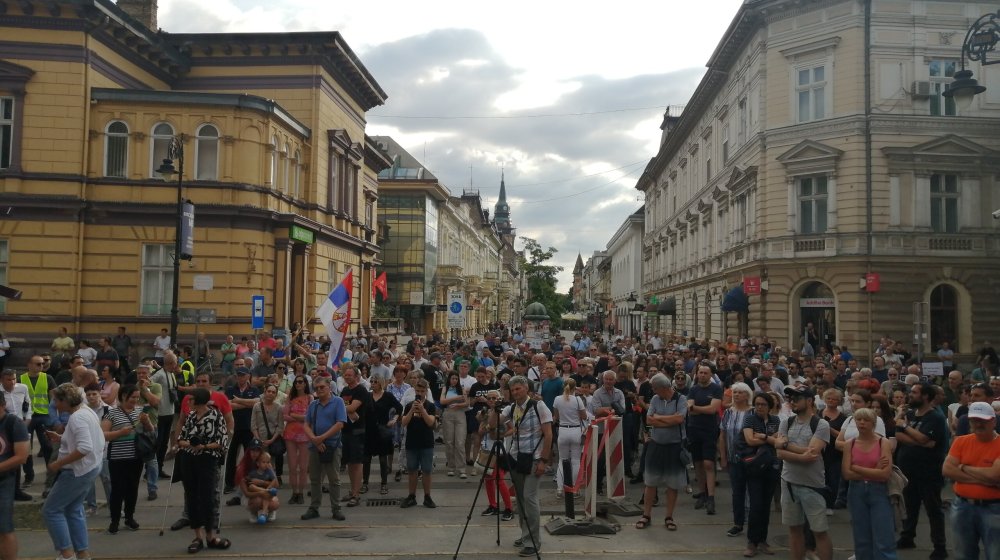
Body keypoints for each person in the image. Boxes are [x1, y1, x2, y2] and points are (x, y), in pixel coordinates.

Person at [42, 383, 105, 560]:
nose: (54, 404)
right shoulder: (86, 411)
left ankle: (66, 554)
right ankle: (82, 554)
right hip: (90, 467)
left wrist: (58, 463)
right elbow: (86, 439)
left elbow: (85, 447)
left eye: (56, 400)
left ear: (65, 400)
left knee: (51, 510)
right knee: (73, 509)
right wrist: (63, 438)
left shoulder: (77, 418)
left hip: (77, 471)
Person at [495, 375, 553, 557]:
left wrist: (544, 461)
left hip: (534, 458)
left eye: (518, 389)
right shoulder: (512, 408)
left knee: (529, 497)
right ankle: (525, 534)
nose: (515, 392)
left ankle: (533, 542)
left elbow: (549, 435)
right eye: (513, 390)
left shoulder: (539, 406)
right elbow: (492, 424)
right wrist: (493, 409)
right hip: (517, 458)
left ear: (526, 388)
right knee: (520, 499)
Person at [774, 385, 832, 560]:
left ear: (809, 401)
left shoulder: (820, 424)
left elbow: (813, 454)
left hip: (812, 486)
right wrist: (800, 453)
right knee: (794, 529)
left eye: (797, 399)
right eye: (790, 399)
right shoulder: (786, 422)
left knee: (819, 531)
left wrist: (785, 445)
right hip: (789, 483)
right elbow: (779, 453)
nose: (792, 402)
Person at [894, 382, 948, 559]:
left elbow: (927, 439)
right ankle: (908, 537)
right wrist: (917, 439)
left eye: (915, 392)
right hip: (909, 470)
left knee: (933, 508)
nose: (910, 394)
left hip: (929, 471)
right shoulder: (910, 414)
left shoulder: (935, 417)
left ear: (925, 396)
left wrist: (905, 426)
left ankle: (939, 546)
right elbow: (899, 436)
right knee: (910, 505)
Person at [942, 401, 1000, 559]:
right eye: (974, 420)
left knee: (995, 554)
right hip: (962, 506)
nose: (978, 424)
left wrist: (963, 467)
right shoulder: (961, 441)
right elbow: (947, 470)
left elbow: (995, 475)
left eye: (983, 420)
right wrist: (986, 479)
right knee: (963, 554)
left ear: (993, 421)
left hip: (994, 509)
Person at [177, 387, 230, 552]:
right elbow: (181, 439)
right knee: (191, 496)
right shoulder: (191, 416)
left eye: (191, 399)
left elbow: (222, 441)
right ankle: (197, 536)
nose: (188, 402)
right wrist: (191, 444)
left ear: (198, 400)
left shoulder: (216, 416)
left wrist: (204, 446)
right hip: (189, 459)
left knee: (207, 497)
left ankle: (211, 536)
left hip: (207, 460)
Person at [634, 373, 687, 532]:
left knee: (673, 484)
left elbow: (679, 420)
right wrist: (667, 419)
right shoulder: (656, 400)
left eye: (655, 388)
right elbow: (649, 420)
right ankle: (646, 515)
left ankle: (669, 517)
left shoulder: (681, 399)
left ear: (663, 388)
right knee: (650, 482)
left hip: (675, 446)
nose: (653, 391)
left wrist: (659, 418)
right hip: (655, 445)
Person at [841, 407, 896, 560]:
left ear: (873, 423)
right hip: (856, 491)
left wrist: (857, 468)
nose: (862, 423)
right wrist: (874, 469)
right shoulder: (849, 444)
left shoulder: (882, 442)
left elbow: (885, 474)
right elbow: (846, 474)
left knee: (884, 537)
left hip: (879, 491)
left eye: (866, 420)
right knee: (861, 538)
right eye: (858, 420)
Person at [101, 385, 154, 533]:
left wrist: (146, 422)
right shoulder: (111, 414)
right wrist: (119, 433)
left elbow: (151, 430)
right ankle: (115, 520)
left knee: (132, 488)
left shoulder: (140, 411)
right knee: (117, 490)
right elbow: (103, 434)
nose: (135, 400)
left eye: (137, 397)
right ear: (124, 396)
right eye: (133, 397)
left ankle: (130, 517)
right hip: (118, 458)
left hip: (136, 457)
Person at [300, 376, 347, 521]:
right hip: (315, 447)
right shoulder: (313, 404)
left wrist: (322, 438)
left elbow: (340, 424)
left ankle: (336, 508)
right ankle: (314, 508)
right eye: (316, 388)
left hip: (332, 446)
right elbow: (306, 424)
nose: (319, 390)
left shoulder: (338, 402)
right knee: (315, 479)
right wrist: (314, 440)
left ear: (329, 387)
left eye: (322, 387)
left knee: (334, 479)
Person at [740, 392, 781, 557]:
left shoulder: (776, 420)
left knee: (765, 506)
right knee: (756, 505)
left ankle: (763, 540)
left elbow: (779, 441)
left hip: (771, 466)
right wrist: (770, 439)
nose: (759, 407)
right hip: (755, 467)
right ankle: (752, 542)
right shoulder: (749, 418)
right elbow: (749, 440)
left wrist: (762, 436)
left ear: (769, 406)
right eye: (757, 404)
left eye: (763, 404)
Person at [719, 382, 753, 537]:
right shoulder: (728, 412)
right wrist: (723, 457)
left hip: (751, 459)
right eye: (735, 392)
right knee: (737, 492)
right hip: (734, 458)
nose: (736, 394)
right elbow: (722, 435)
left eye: (740, 392)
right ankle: (738, 523)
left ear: (747, 395)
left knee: (753, 491)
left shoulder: (753, 413)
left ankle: (753, 522)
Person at [688, 364, 723, 514]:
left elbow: (713, 410)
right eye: (700, 372)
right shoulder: (693, 389)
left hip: (709, 430)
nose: (702, 375)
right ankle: (702, 494)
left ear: (710, 375)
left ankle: (711, 497)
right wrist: (700, 409)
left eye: (705, 373)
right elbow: (689, 410)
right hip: (694, 429)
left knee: (709, 463)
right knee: (698, 463)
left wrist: (696, 409)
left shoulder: (716, 389)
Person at [400, 379, 438, 509]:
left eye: (422, 391)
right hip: (412, 441)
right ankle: (412, 496)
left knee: (427, 470)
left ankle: (427, 496)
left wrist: (422, 410)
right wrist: (412, 410)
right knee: (412, 469)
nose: (420, 393)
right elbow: (404, 422)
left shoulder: (431, 405)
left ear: (426, 392)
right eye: (418, 391)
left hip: (426, 442)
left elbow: (430, 422)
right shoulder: (409, 405)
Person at [0, 389, 29, 560]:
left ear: (3, 406)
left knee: (4, 528)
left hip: (4, 481)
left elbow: (21, 456)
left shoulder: (13, 423)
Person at [477, 390, 514, 520]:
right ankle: (493, 505)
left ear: (499, 399)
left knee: (499, 479)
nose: (492, 400)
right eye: (489, 398)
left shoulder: (503, 412)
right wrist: (485, 424)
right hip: (486, 450)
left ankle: (509, 508)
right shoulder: (486, 412)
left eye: (494, 398)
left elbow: (513, 428)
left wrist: (502, 435)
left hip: (499, 451)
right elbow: (480, 432)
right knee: (488, 479)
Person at [224, 368, 261, 494]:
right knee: (231, 457)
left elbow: (256, 403)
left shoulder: (254, 389)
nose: (240, 378)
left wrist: (238, 401)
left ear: (248, 376)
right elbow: (228, 405)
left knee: (250, 456)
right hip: (233, 428)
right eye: (239, 375)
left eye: (243, 375)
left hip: (248, 428)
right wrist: (246, 404)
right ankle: (229, 483)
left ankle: (250, 481)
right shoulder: (230, 390)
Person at [21, 354, 56, 487]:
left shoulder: (48, 378)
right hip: (27, 417)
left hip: (44, 415)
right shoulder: (21, 378)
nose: (42, 366)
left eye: (42, 363)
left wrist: (54, 417)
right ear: (29, 365)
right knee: (26, 448)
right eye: (38, 364)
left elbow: (53, 398)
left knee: (47, 447)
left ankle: (50, 477)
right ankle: (29, 477)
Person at [363, 375, 402, 495]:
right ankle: (365, 483)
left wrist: (394, 419)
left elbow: (399, 408)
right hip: (369, 430)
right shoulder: (367, 396)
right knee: (366, 459)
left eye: (375, 382)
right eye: (372, 382)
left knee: (383, 459)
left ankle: (384, 483)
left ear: (380, 383)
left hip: (383, 430)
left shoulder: (387, 396)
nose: (373, 384)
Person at [339, 364, 370, 505]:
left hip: (358, 431)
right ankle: (352, 491)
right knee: (350, 463)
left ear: (356, 376)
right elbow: (346, 409)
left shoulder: (361, 390)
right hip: (345, 430)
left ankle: (356, 495)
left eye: (350, 375)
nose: (347, 377)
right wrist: (343, 408)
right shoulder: (345, 390)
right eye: (345, 375)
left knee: (357, 463)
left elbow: (351, 407)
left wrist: (340, 406)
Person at [552, 378, 587, 498]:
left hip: (563, 430)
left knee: (562, 460)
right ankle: (574, 489)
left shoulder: (557, 399)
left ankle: (560, 489)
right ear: (574, 387)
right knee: (576, 461)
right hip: (576, 430)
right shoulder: (577, 400)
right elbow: (584, 416)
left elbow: (555, 416)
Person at [282, 375, 311, 504]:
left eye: (300, 382)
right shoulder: (290, 397)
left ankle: (301, 492)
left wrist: (294, 415)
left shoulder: (310, 398)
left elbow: (310, 417)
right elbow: (285, 416)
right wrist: (298, 417)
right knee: (293, 466)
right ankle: (294, 492)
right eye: (296, 382)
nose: (298, 384)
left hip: (305, 434)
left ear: (305, 384)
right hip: (290, 434)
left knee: (303, 467)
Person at [240, 446, 279, 524]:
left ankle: (266, 513)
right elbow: (247, 491)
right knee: (256, 496)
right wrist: (262, 492)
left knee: (273, 502)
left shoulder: (268, 469)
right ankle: (253, 512)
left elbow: (276, 483)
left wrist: (262, 482)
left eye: (257, 451)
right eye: (252, 451)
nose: (255, 453)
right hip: (254, 495)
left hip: (267, 493)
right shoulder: (247, 468)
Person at [440, 372, 469, 478]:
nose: (454, 380)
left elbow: (466, 403)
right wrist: (456, 399)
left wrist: (458, 403)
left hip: (460, 414)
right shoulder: (445, 388)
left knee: (460, 442)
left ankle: (461, 468)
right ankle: (451, 467)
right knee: (449, 441)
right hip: (448, 413)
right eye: (453, 378)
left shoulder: (462, 388)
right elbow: (442, 401)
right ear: (449, 379)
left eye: (456, 379)